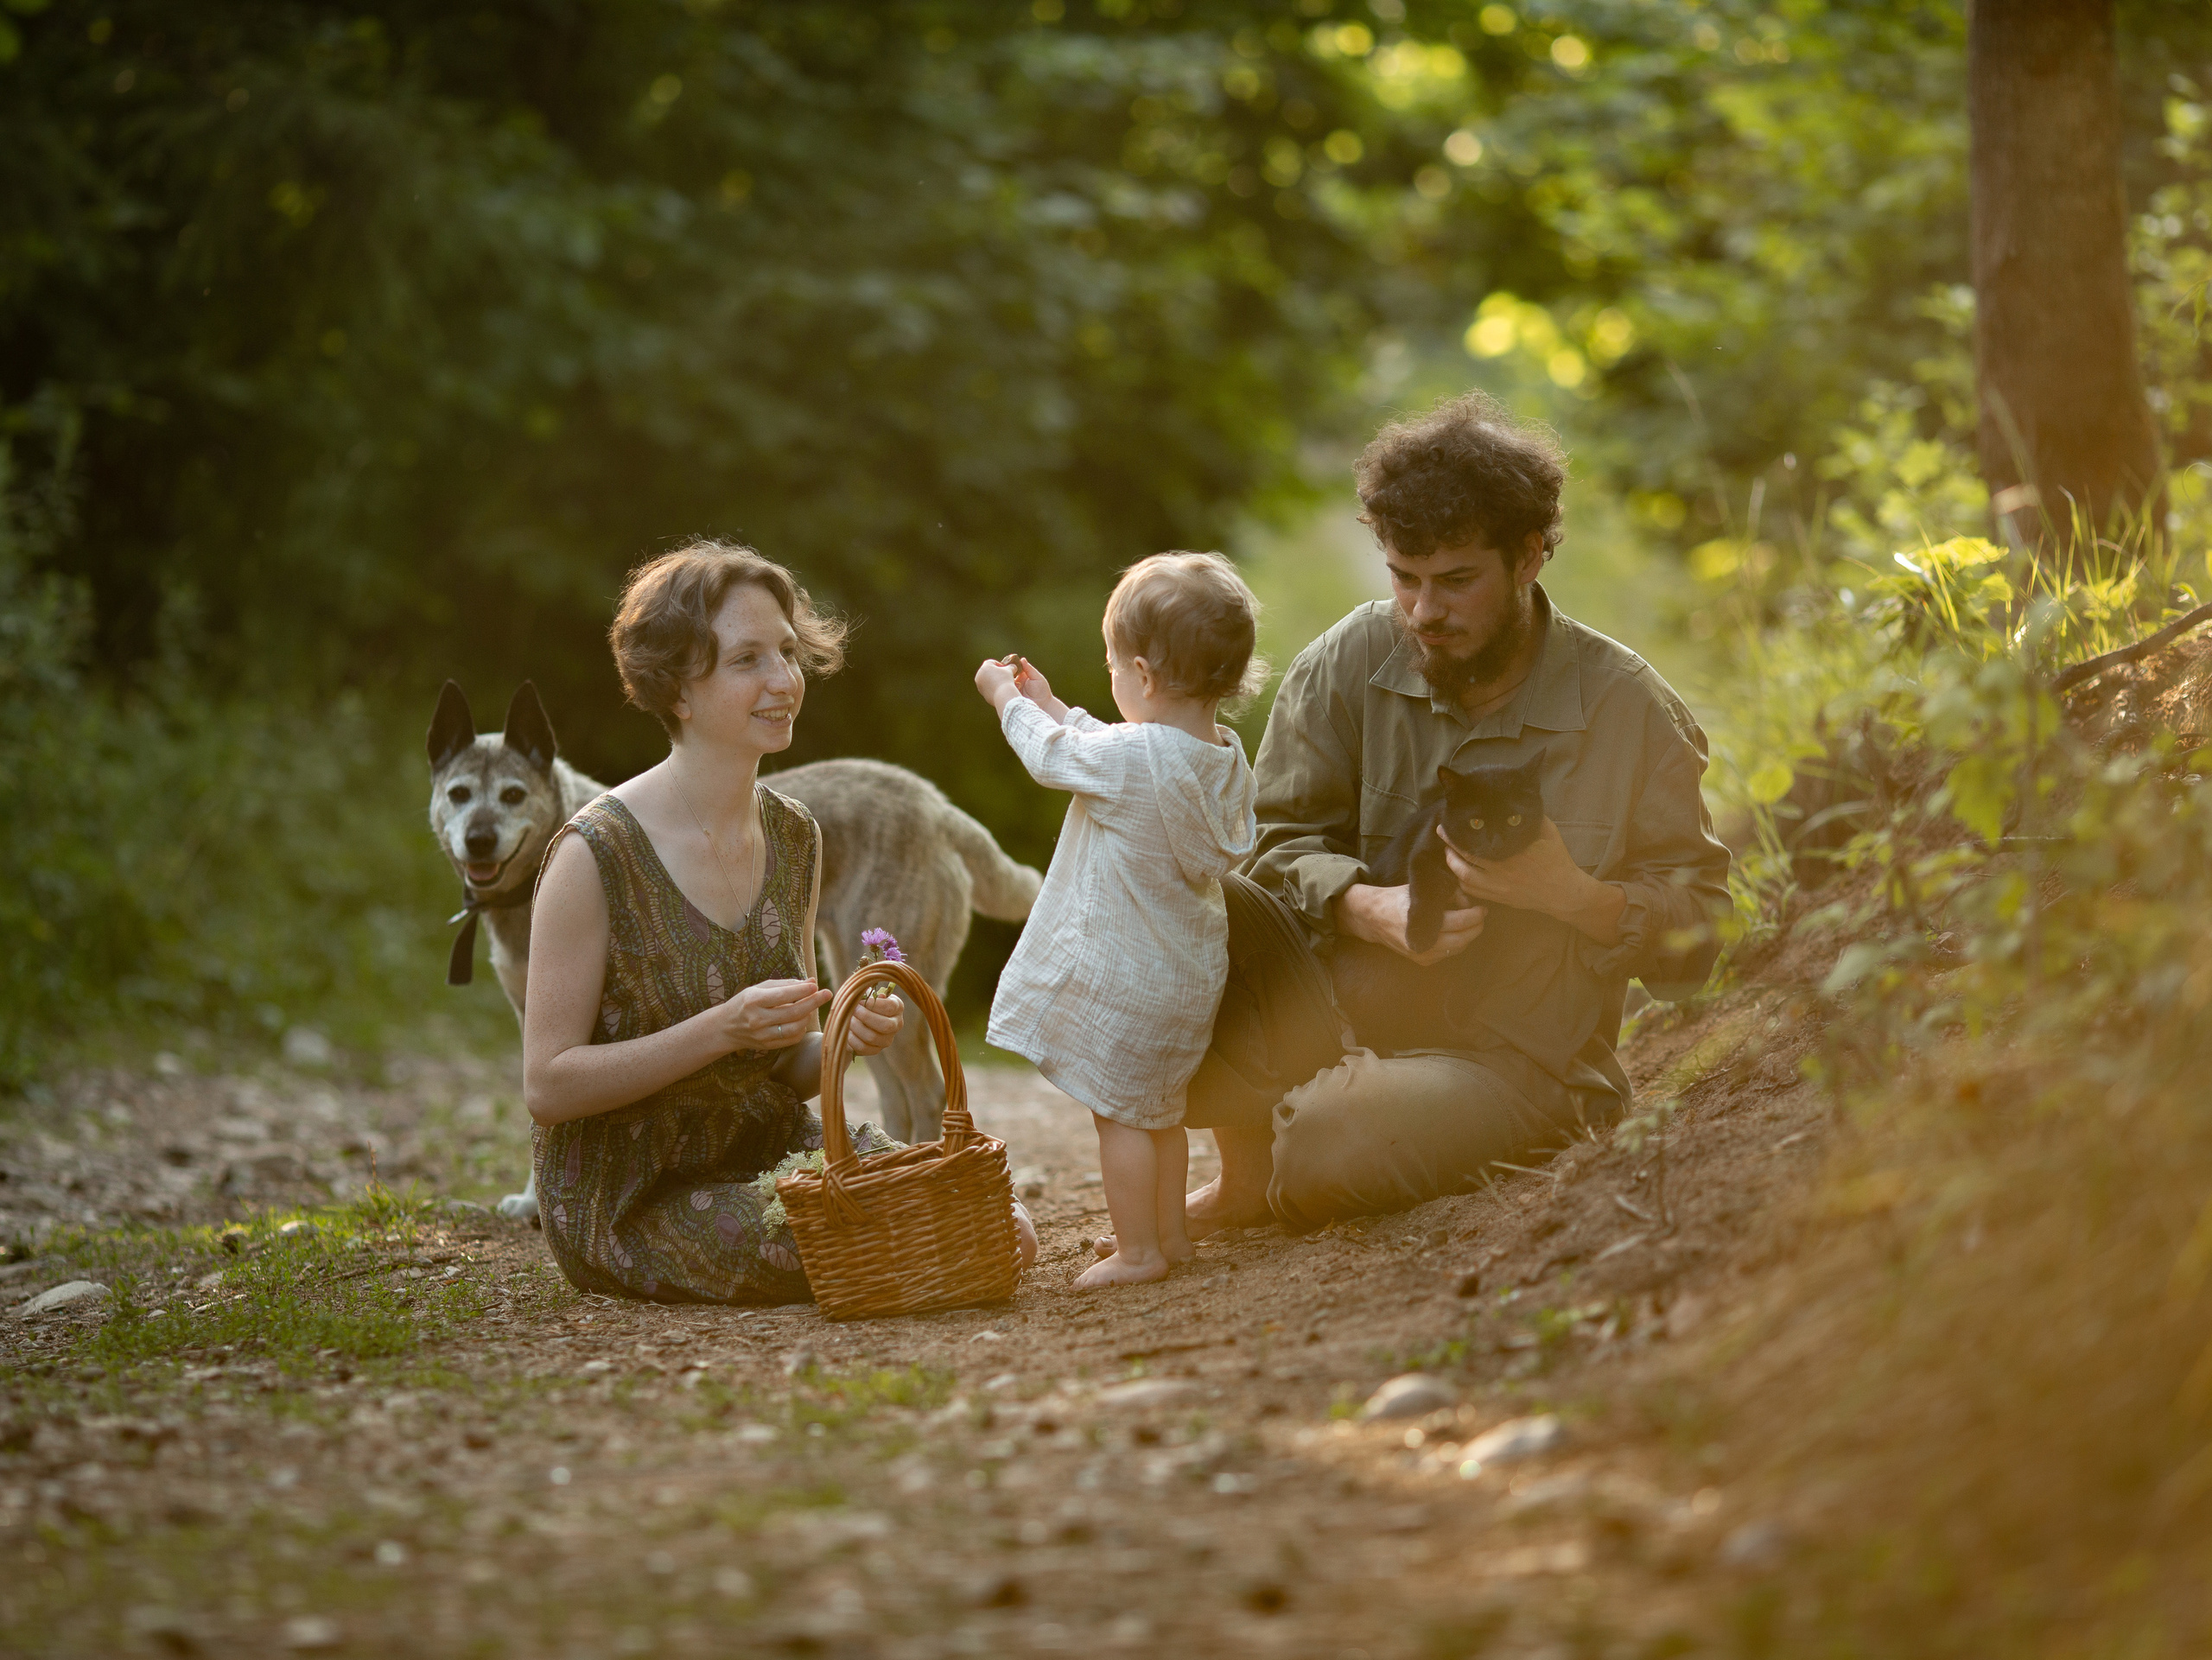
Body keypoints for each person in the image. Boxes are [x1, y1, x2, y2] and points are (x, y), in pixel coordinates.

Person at [1175, 392, 1733, 1233]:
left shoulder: (1630, 710)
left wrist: (1572, 895)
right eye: (1404, 579)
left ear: (1529, 557)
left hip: (1510, 1063)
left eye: (1456, 581)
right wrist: (1367, 907)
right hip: (1340, 1012)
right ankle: (1250, 1164)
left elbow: (1699, 942)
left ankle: (1315, 1138)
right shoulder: (1348, 663)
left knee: (1329, 1141)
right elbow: (1268, 848)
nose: (1423, 613)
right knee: (1182, 891)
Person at [523, 541, 1033, 1304]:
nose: (785, 681)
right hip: (638, 1195)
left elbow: (786, 1067)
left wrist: (839, 1041)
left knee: (997, 1217)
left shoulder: (796, 835)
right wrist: (721, 1028)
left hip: (767, 1155)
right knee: (899, 1232)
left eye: (789, 653)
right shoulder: (593, 855)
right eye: (748, 660)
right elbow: (549, 1085)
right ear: (678, 689)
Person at [977, 552, 1262, 1288]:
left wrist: (1008, 704)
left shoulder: (1135, 758)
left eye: (1112, 667)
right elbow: (1104, 748)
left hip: (1134, 981)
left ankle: (1138, 1253)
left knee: (1120, 1118)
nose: (1111, 680)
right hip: (1188, 976)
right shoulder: (1223, 758)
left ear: (1143, 674)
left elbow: (1058, 759)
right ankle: (1169, 1240)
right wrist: (1054, 703)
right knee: (1158, 1112)